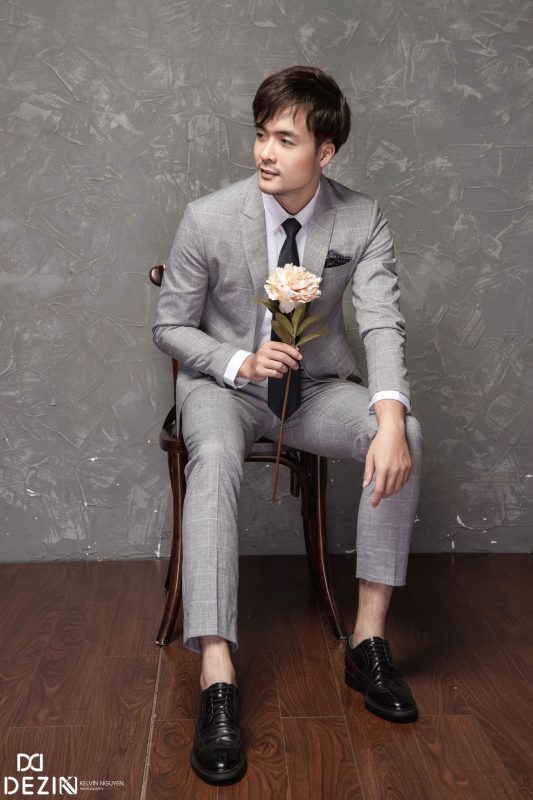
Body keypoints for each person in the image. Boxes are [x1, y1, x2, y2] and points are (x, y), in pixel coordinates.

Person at [152, 65, 423, 786]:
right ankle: (217, 674)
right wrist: (239, 360)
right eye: (260, 135)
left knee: (402, 432)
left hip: (314, 391)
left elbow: (382, 322)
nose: (264, 153)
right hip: (225, 388)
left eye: (285, 139)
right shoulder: (208, 217)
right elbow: (169, 326)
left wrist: (389, 416)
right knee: (213, 455)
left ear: (324, 152)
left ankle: (367, 643)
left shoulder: (360, 219)